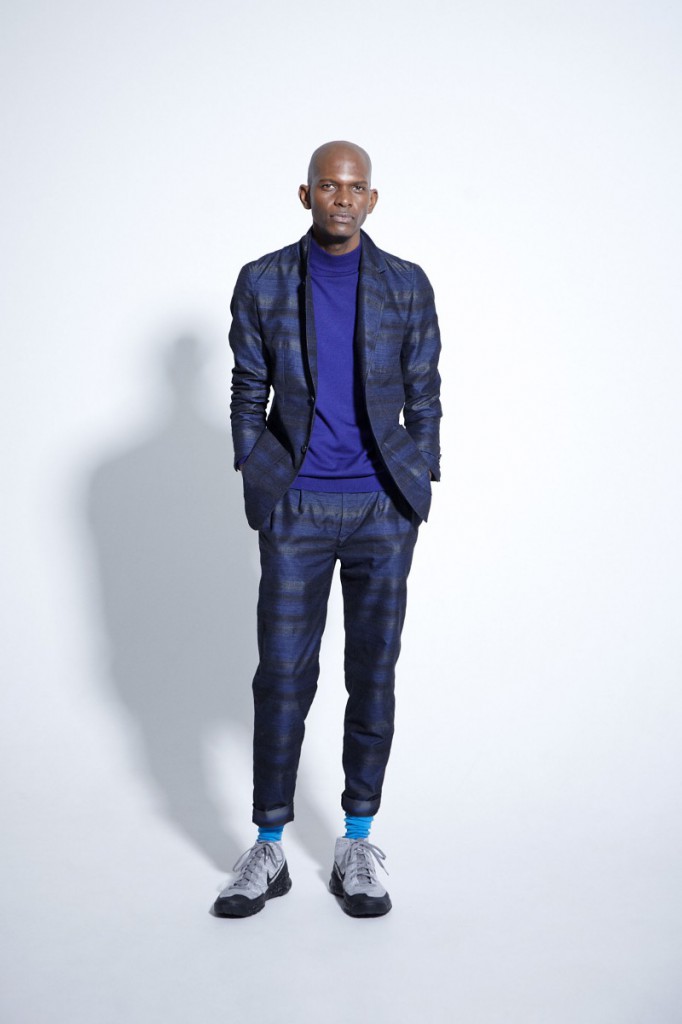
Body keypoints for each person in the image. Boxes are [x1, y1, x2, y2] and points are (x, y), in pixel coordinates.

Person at [213, 141, 441, 918]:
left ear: (371, 199)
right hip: (298, 506)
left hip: (383, 509)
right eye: (329, 186)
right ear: (305, 194)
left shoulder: (406, 284)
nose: (342, 198)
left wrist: (418, 478)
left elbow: (424, 389)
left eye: (355, 187)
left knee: (372, 672)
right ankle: (268, 846)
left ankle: (357, 842)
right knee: (282, 673)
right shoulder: (264, 280)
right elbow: (248, 386)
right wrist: (259, 473)